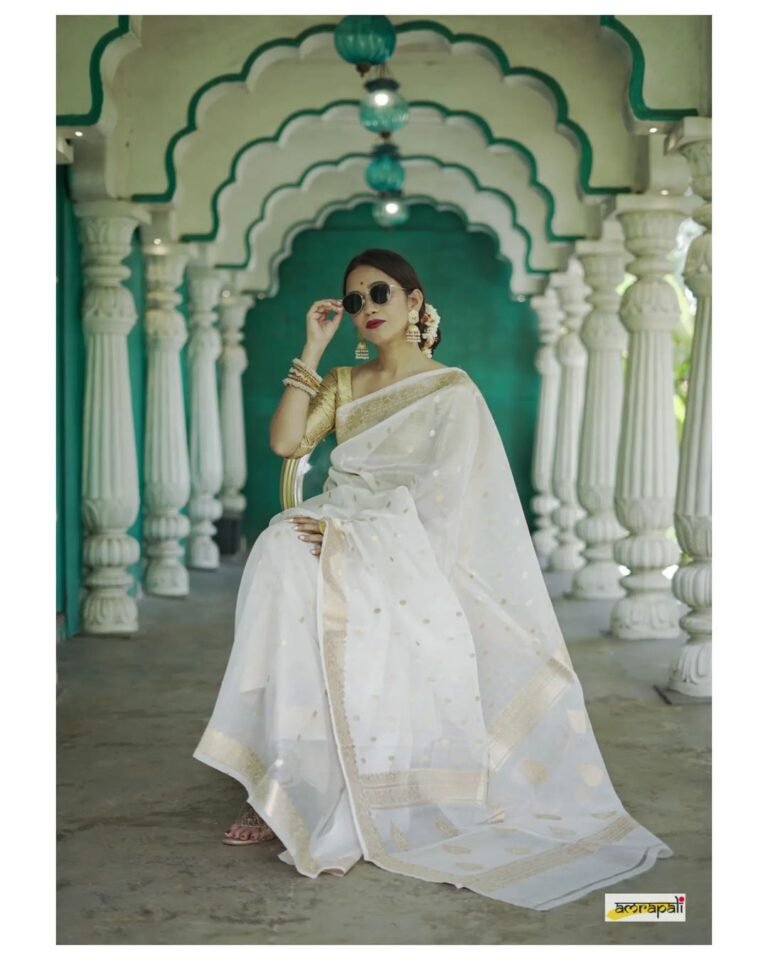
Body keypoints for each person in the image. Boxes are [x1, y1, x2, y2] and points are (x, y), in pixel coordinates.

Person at [193, 248, 673, 910]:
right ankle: (286, 778)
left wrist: (355, 541)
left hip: (404, 547)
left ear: (414, 302)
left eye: (380, 293)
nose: (367, 308)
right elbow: (285, 443)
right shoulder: (345, 381)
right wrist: (312, 346)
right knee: (277, 550)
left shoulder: (452, 390)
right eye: (355, 300)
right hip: (342, 522)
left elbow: (446, 504)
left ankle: (341, 788)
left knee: (314, 571)